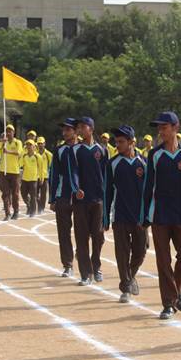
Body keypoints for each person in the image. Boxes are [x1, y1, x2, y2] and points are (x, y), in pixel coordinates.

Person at [143, 111, 181, 319]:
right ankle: (168, 303)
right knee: (163, 261)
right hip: (160, 216)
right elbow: (148, 186)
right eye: (159, 127)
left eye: (164, 127)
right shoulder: (155, 155)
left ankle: (176, 290)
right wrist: (144, 215)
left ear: (176, 128)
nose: (160, 131)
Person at [104, 125, 149, 304]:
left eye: (121, 142)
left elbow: (150, 191)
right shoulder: (112, 164)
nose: (118, 145)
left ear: (132, 142)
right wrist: (106, 218)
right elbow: (107, 192)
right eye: (116, 142)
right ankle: (125, 287)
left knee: (141, 251)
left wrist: (148, 215)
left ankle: (130, 277)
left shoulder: (144, 163)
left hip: (140, 217)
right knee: (122, 253)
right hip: (120, 216)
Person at [72, 117, 108, 285]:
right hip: (81, 200)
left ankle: (97, 266)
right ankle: (85, 273)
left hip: (98, 199)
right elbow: (73, 172)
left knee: (98, 236)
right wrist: (76, 188)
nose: (80, 129)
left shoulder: (102, 150)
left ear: (91, 129)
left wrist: (107, 195)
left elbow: (106, 175)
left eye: (83, 126)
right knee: (81, 237)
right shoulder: (75, 149)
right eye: (78, 127)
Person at [49, 118, 79, 277]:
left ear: (76, 131)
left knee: (84, 231)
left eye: (68, 129)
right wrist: (52, 198)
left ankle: (81, 254)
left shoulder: (83, 149)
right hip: (63, 196)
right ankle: (67, 264)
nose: (64, 133)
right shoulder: (59, 150)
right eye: (63, 130)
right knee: (63, 232)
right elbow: (53, 174)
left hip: (81, 197)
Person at [0, 124, 24, 220]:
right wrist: (2, 141)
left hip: (14, 171)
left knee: (15, 194)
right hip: (4, 171)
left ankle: (16, 211)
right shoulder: (3, 143)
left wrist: (8, 152)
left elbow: (19, 153)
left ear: (14, 133)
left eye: (10, 131)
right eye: (7, 131)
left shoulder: (17, 142)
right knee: (5, 193)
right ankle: (7, 213)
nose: (9, 133)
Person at [21, 139, 41, 217]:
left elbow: (41, 168)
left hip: (33, 179)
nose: (29, 146)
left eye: (30, 145)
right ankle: (28, 205)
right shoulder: (24, 156)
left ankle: (32, 211)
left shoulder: (37, 156)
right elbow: (20, 164)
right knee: (23, 194)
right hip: (25, 178)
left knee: (33, 196)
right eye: (27, 145)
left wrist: (41, 178)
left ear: (34, 147)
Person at [36, 136, 52, 214]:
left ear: (44, 144)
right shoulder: (35, 154)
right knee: (34, 194)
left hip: (45, 177)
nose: (40, 145)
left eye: (41, 143)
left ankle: (41, 208)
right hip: (35, 177)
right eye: (38, 143)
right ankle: (39, 206)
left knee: (43, 194)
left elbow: (52, 165)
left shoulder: (48, 154)